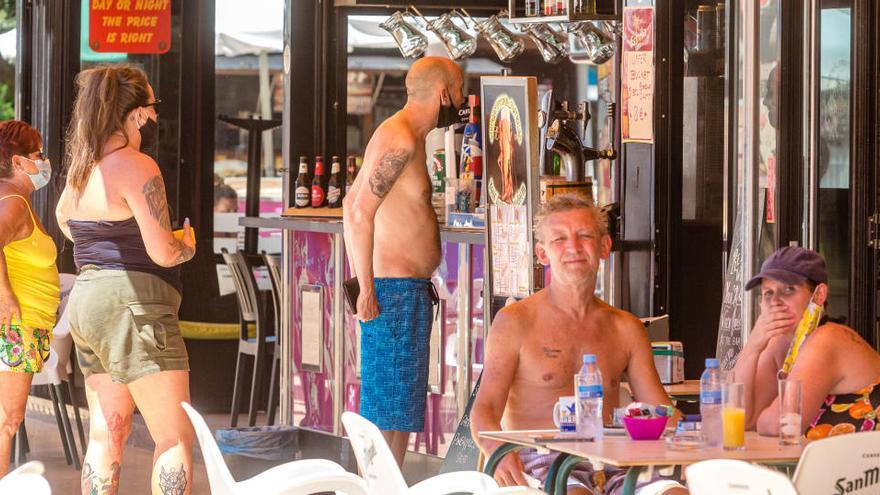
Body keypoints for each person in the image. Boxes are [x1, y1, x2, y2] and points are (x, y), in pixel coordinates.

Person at [470, 194, 686, 495]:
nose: (573, 247)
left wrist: (698, 442)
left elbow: (659, 408)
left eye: (584, 235)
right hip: (539, 460)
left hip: (614, 459)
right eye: (559, 239)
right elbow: (485, 409)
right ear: (542, 254)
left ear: (604, 246)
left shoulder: (626, 328)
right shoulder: (514, 321)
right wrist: (498, 449)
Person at [55, 66, 196, 495]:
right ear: (134, 114)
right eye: (151, 107)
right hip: (135, 306)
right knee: (173, 435)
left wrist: (108, 240)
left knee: (105, 433)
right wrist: (185, 244)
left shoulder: (83, 169)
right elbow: (161, 252)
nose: (153, 117)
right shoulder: (137, 165)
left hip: (88, 300)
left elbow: (66, 221)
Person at [342, 56, 464, 467]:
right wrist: (367, 288)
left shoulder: (401, 133)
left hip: (398, 291)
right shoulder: (401, 140)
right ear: (444, 93)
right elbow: (359, 212)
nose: (464, 99)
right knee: (387, 415)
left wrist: (366, 283)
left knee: (398, 409)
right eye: (461, 89)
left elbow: (347, 203)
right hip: (392, 292)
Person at [731, 246, 880, 439]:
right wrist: (752, 348)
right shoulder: (781, 343)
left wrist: (765, 414)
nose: (775, 301)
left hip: (866, 466)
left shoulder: (828, 338)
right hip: (837, 465)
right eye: (768, 293)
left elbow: (780, 424)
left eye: (788, 290)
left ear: (818, 295)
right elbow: (739, 418)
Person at [0, 121, 60, 477]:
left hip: (25, 326)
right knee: (6, 419)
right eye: (38, 154)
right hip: (14, 326)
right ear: (19, 162)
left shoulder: (16, 199)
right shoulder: (12, 203)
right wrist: (5, 294)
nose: (44, 161)